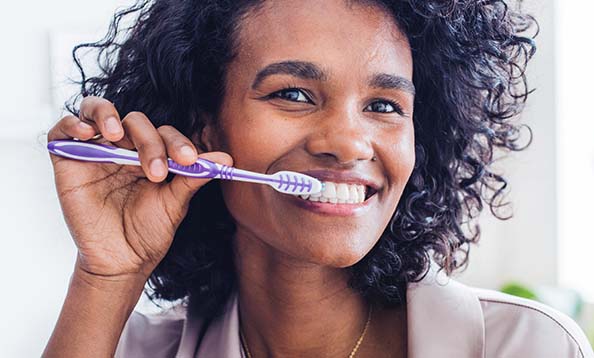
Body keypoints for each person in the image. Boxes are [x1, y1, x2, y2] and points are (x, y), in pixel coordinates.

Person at [43, 0, 593, 357]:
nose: (350, 142)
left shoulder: (529, 347)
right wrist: (107, 278)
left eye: (383, 104)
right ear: (203, 128)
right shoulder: (126, 349)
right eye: (294, 94)